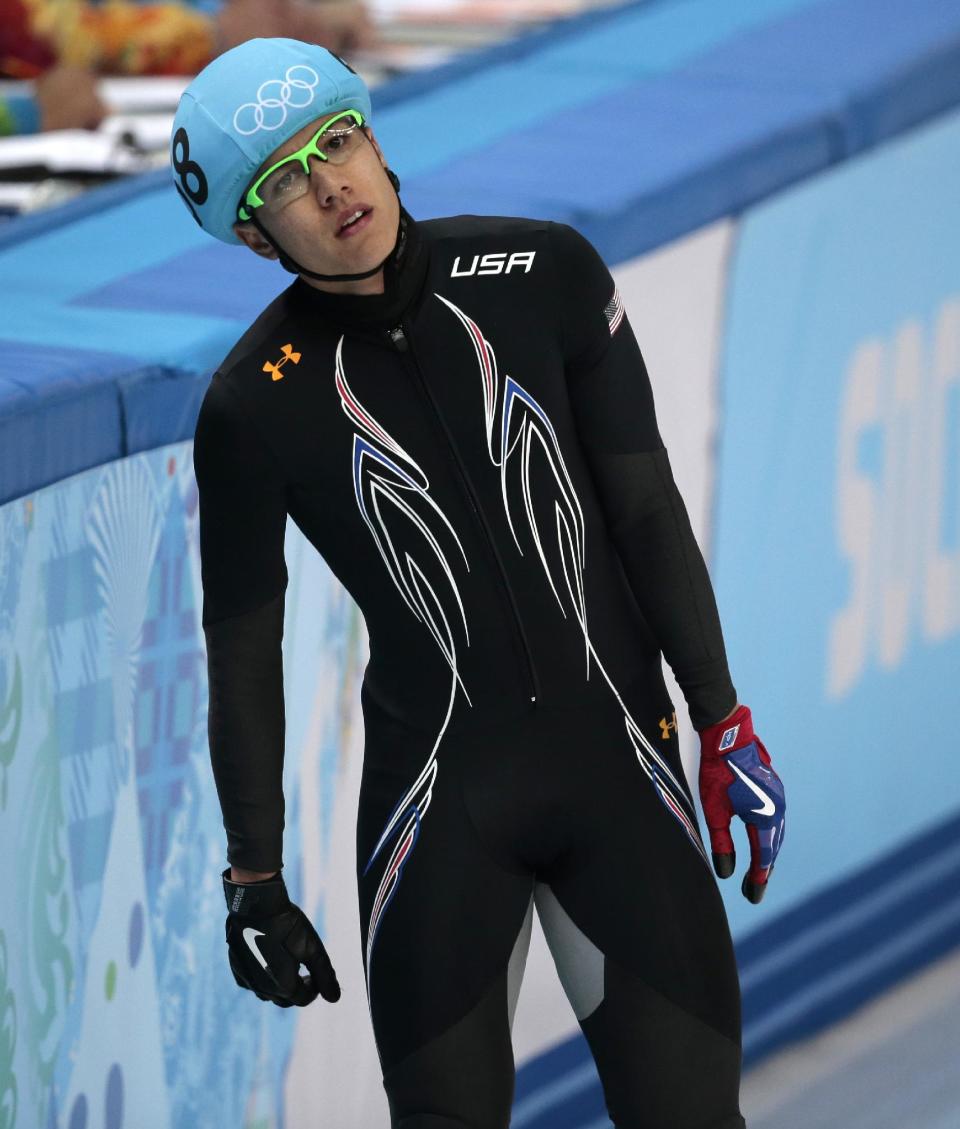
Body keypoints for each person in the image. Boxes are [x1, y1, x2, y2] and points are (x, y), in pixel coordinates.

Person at [176, 37, 787, 1129]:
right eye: (282, 181)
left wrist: (723, 716)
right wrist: (253, 881)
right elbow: (241, 654)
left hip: (621, 778)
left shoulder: (547, 272)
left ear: (374, 135)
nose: (329, 186)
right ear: (253, 234)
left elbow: (645, 511)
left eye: (338, 139)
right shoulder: (250, 405)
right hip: (441, 811)